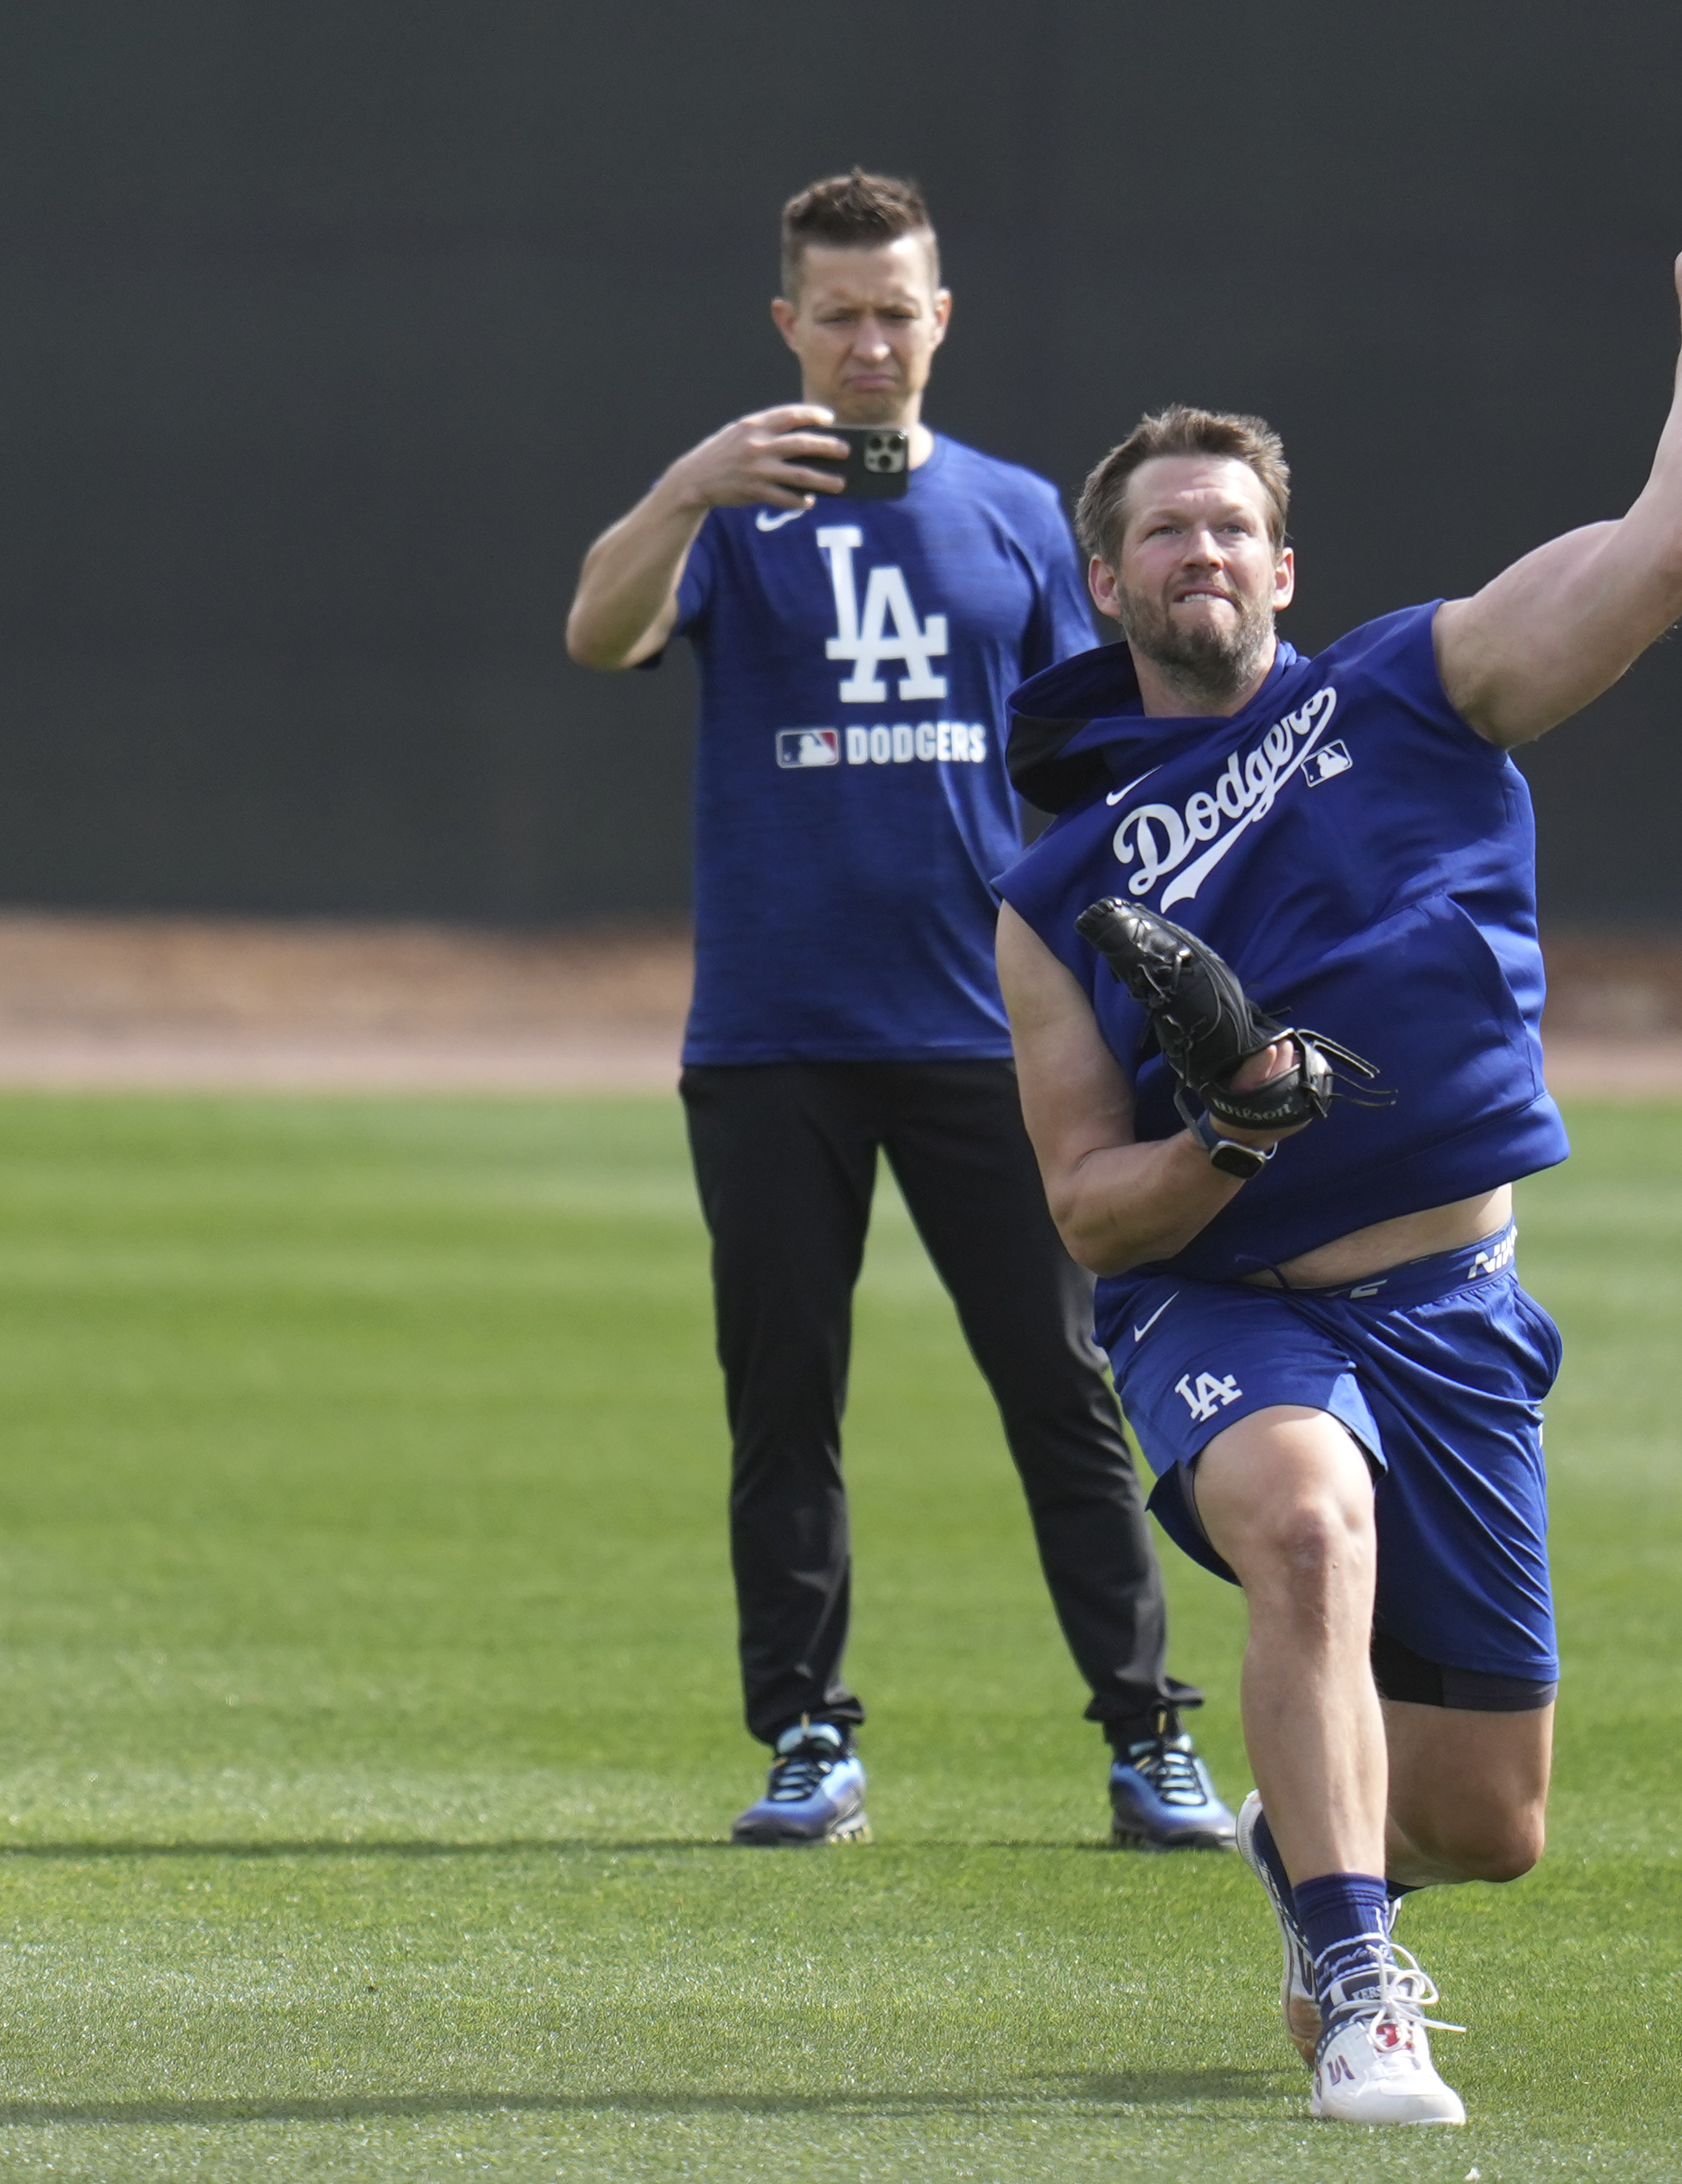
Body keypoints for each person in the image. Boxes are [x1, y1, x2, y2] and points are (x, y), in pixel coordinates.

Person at [993, 199, 1682, 2124]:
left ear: (1286, 567)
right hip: (1229, 1302)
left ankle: (1318, 1845)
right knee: (1303, 1526)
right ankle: (1358, 1983)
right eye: (1163, 527)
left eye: (1232, 524)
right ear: (1105, 584)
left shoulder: (1416, 685)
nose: (1203, 546)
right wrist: (1226, 1134)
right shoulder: (1059, 892)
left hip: (1453, 1309)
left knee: (1488, 1822)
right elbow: (1090, 1208)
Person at [562, 170, 1227, 1853]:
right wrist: (683, 487)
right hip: (775, 1032)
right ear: (789, 326)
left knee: (1064, 1387)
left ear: (943, 317)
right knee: (786, 1396)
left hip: (991, 1030)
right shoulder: (730, 513)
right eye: (837, 312)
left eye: (895, 308)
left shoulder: (1009, 513)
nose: (869, 342)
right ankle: (804, 1733)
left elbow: (1101, 747)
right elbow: (595, 635)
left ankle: (1148, 1735)